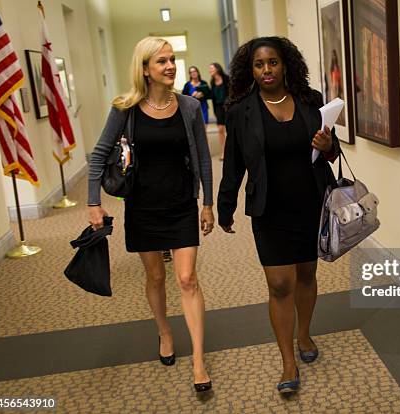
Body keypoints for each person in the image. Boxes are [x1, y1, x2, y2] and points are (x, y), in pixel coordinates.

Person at [87, 37, 214, 393]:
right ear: (145, 68)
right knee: (156, 277)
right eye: (162, 61)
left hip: (181, 205)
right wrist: (93, 202)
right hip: (142, 207)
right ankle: (164, 331)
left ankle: (200, 360)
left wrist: (208, 202)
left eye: (172, 60)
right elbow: (98, 156)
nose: (170, 66)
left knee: (187, 278)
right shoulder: (125, 109)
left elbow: (203, 158)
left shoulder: (188, 107)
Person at [218, 36, 340, 394]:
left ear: (285, 65)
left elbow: (332, 152)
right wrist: (225, 207)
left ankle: (304, 334)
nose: (266, 70)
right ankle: (288, 360)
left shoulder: (309, 101)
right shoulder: (241, 111)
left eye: (272, 62)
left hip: (310, 203)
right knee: (279, 284)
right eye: (259, 64)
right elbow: (233, 165)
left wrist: (327, 145)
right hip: (269, 209)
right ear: (250, 70)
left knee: (306, 274)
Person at [208, 62, 229, 160]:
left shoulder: (226, 79)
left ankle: (234, 151)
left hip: (228, 107)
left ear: (217, 69)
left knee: (230, 130)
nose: (210, 71)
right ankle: (224, 152)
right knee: (220, 129)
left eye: (211, 69)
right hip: (218, 108)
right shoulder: (212, 82)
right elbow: (213, 98)